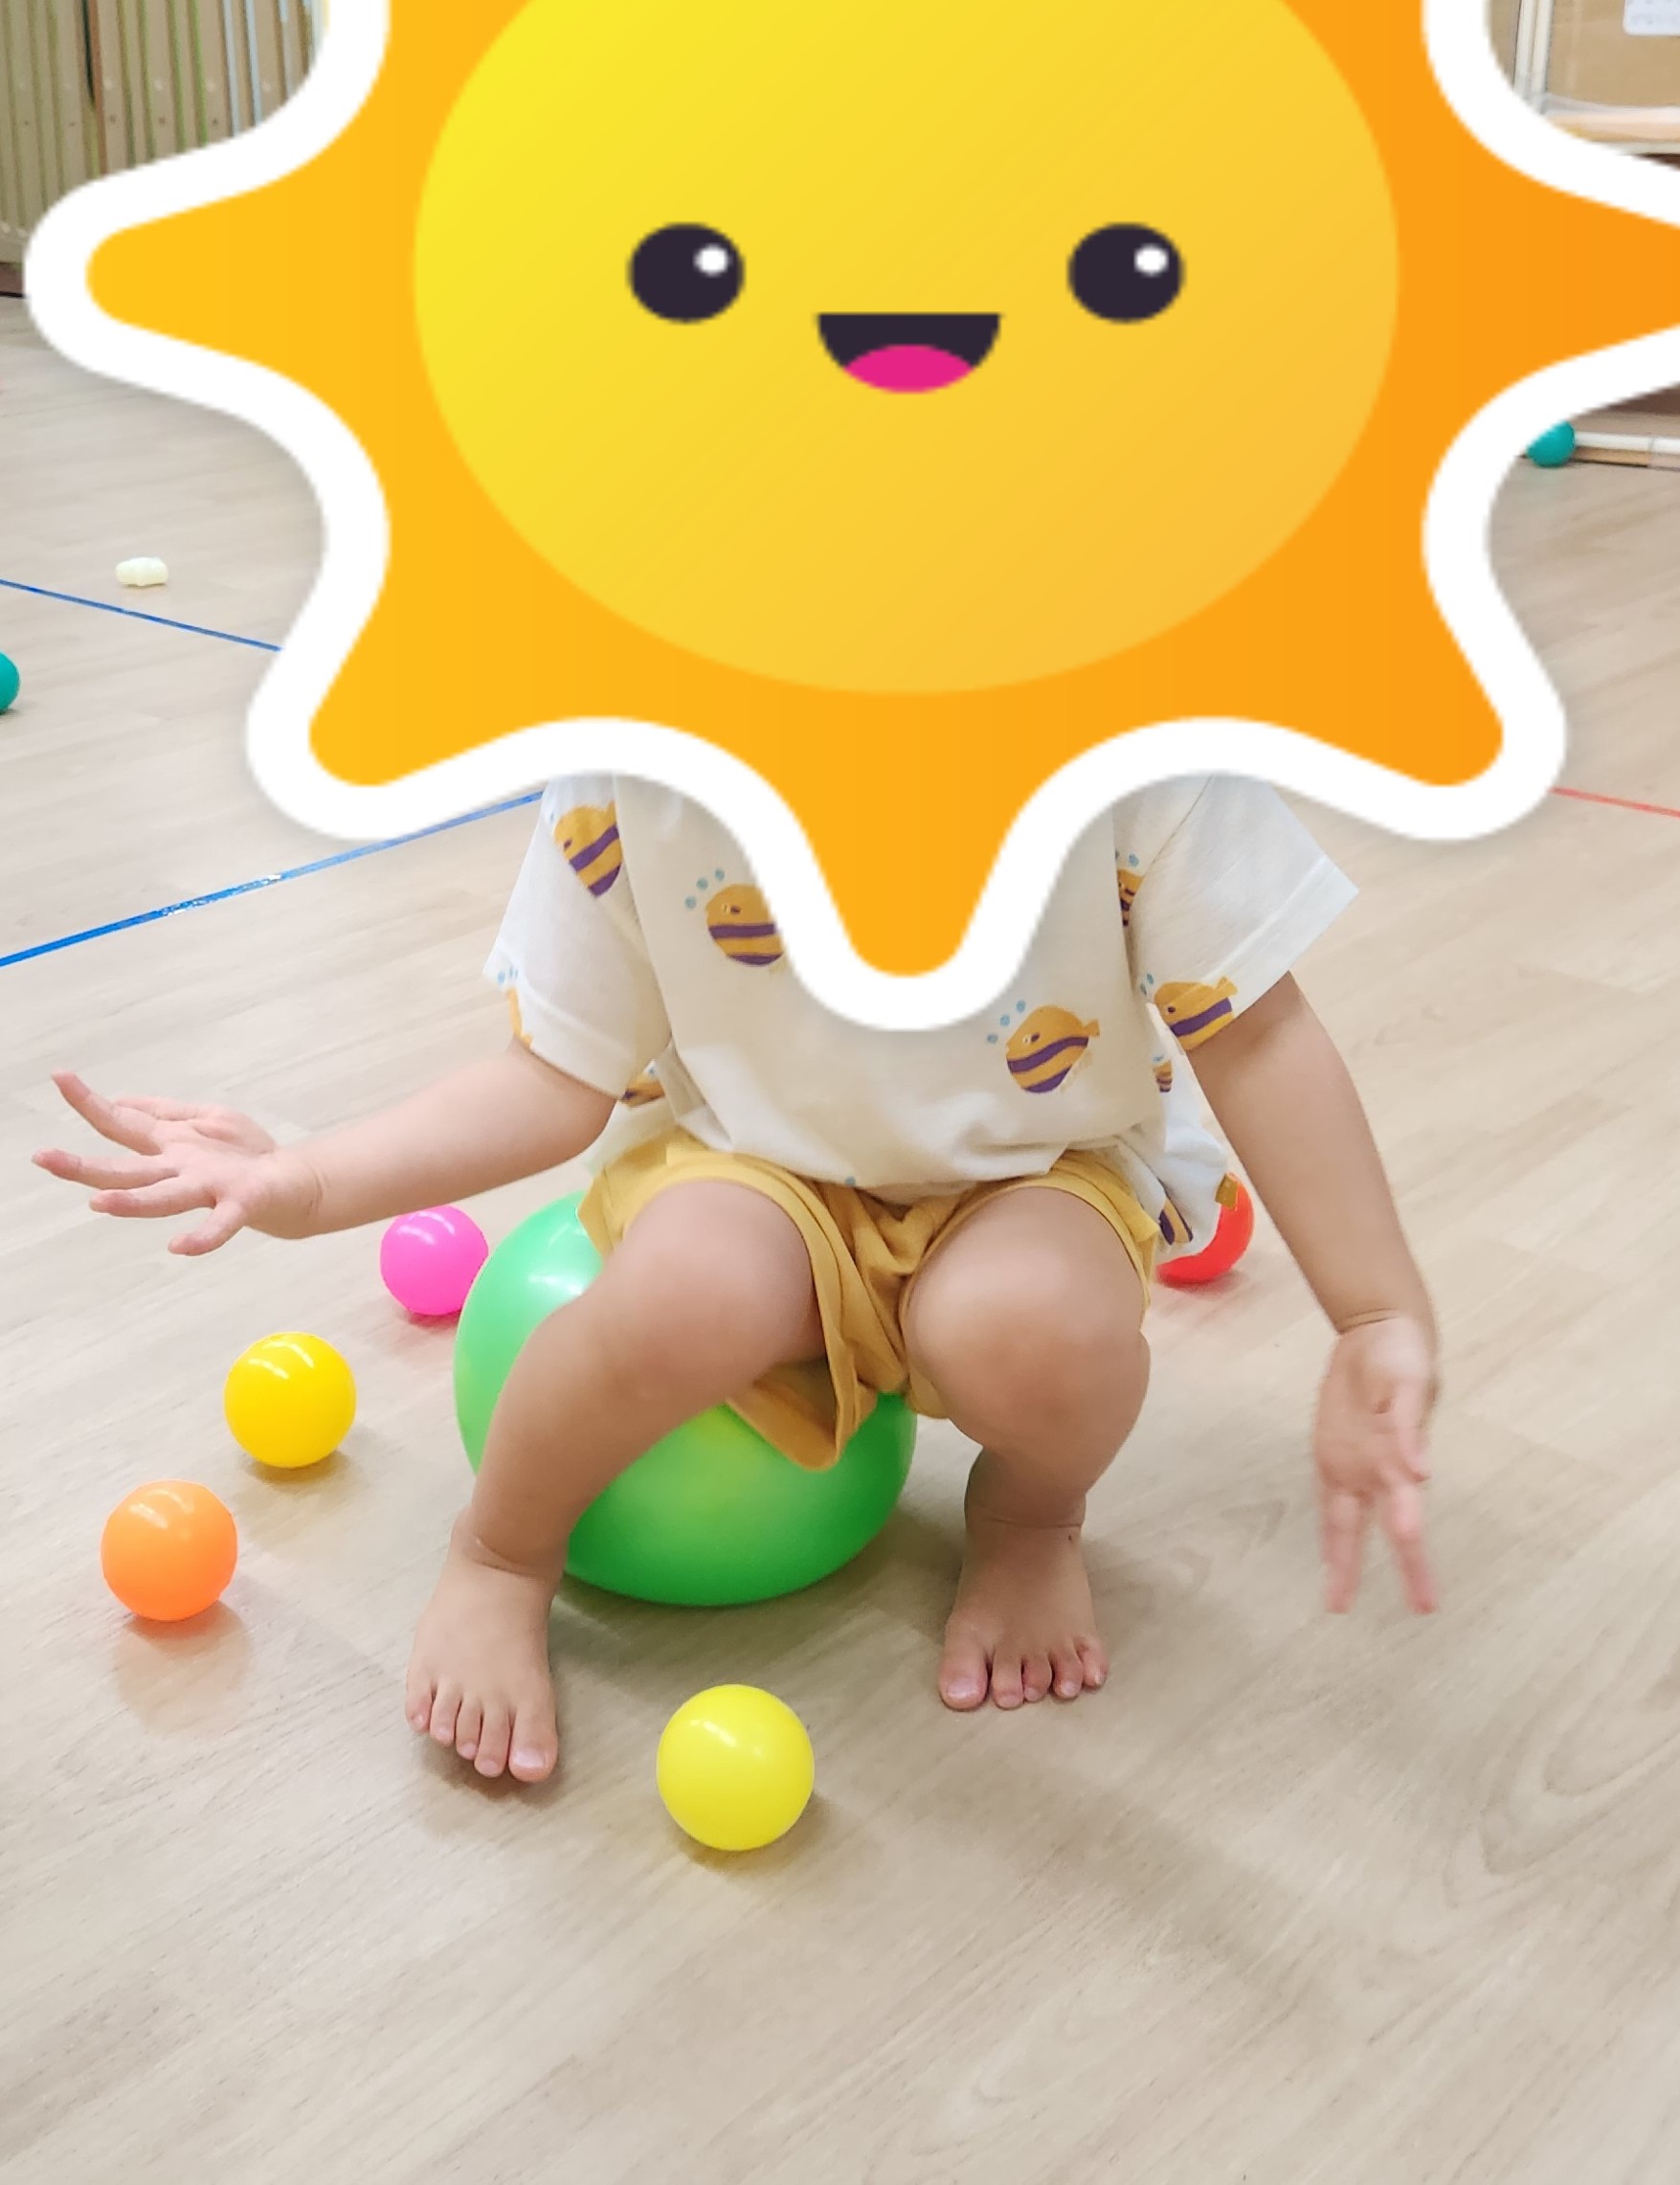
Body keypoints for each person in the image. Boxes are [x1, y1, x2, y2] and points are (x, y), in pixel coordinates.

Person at [35, 774, 1437, 1785]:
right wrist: (311, 1177)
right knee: (683, 1296)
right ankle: (501, 1548)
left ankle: (1030, 1520)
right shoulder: (646, 753)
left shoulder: (1131, 741)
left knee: (1037, 1330)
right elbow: (555, 1072)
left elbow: (1254, 1028)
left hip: (1036, 1170)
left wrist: (1373, 1307)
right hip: (754, 1156)